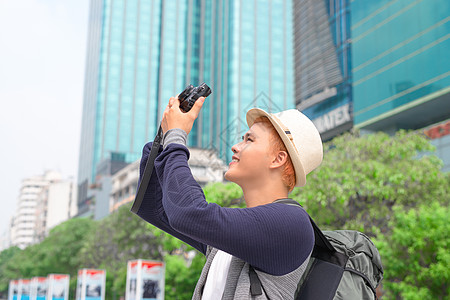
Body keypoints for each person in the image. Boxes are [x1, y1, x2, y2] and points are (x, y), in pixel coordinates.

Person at [135, 95, 323, 299]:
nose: (235, 146)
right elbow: (152, 205)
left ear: (278, 159)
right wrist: (165, 133)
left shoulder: (291, 223)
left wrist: (176, 135)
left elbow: (187, 212)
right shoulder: (239, 235)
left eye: (249, 139)